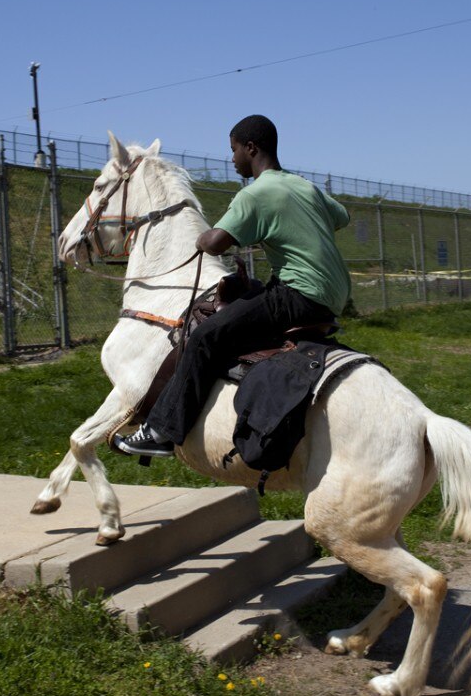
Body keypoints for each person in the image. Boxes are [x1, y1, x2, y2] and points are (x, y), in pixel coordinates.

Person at [113, 114, 351, 458]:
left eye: (234, 150)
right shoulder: (304, 185)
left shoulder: (255, 194)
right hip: (334, 296)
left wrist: (200, 237)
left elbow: (216, 243)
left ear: (250, 148)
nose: (232, 158)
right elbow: (341, 217)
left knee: (205, 337)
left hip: (298, 295)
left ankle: (162, 433)